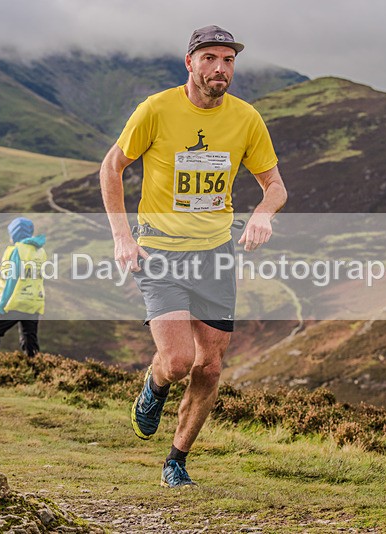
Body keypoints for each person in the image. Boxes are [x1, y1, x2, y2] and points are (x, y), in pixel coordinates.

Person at [100, 25, 287, 488]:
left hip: (215, 256)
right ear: (190, 63)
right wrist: (123, 237)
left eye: (228, 60)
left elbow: (275, 185)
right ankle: (155, 383)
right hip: (160, 251)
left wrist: (264, 212)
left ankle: (177, 459)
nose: (220, 68)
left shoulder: (246, 119)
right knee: (179, 360)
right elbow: (112, 167)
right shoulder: (157, 109)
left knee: (211, 365)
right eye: (210, 59)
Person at [0, 217, 47, 358]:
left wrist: (1, 306)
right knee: (30, 340)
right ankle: (37, 372)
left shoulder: (17, 251)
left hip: (16, 302)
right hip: (33, 302)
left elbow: (12, 280)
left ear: (15, 233)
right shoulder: (39, 251)